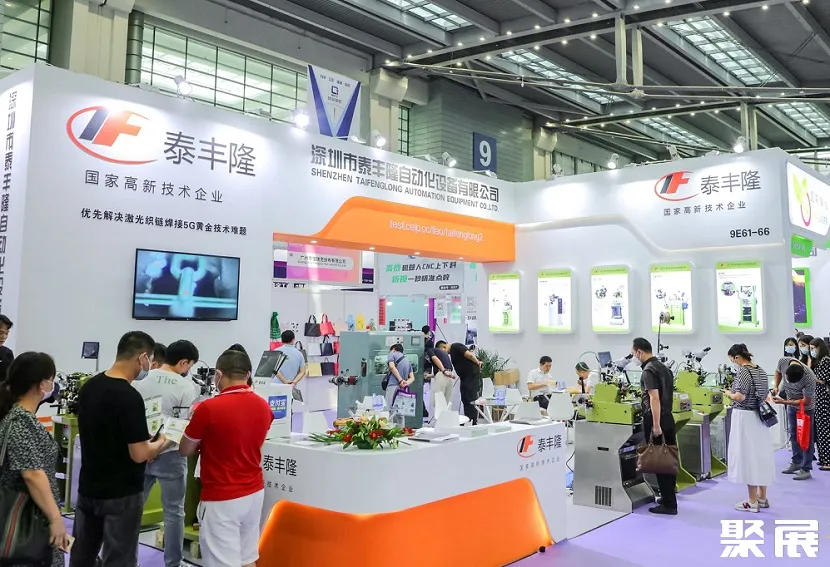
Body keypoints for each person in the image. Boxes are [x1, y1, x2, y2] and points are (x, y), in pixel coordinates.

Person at [70, 331, 169, 567]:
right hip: (121, 493)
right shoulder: (129, 397)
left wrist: (140, 438)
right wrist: (162, 442)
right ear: (142, 358)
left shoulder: (90, 387)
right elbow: (139, 454)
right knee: (119, 559)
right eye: (150, 360)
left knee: (82, 555)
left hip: (88, 488)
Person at [179, 349, 272, 567]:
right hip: (254, 492)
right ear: (248, 374)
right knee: (248, 557)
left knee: (221, 561)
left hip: (222, 495)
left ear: (219, 374)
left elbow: (185, 449)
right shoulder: (263, 406)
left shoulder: (208, 408)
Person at [0, 352, 71, 566]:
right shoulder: (21, 421)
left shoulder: (14, 416)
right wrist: (56, 518)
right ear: (42, 384)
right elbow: (32, 474)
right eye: (51, 379)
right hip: (28, 520)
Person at [134, 340, 201, 567]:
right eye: (190, 364)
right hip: (170, 455)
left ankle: (126, 558)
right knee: (174, 513)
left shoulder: (141, 381)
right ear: (183, 362)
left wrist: (148, 449)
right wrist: (158, 449)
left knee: (132, 509)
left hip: (139, 452)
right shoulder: (186, 387)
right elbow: (178, 428)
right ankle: (173, 563)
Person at [723, 344, 775, 513]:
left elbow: (740, 396)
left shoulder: (744, 371)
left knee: (748, 457)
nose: (734, 363)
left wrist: (728, 394)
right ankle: (762, 497)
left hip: (745, 418)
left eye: (733, 360)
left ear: (737, 357)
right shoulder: (761, 370)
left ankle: (752, 501)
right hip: (759, 418)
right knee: (760, 456)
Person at [632, 337, 677, 515]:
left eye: (633, 353)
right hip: (668, 417)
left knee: (660, 461)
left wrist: (656, 425)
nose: (634, 357)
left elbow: (654, 398)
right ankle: (668, 498)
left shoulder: (648, 370)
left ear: (639, 352)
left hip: (657, 418)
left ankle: (669, 505)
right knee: (669, 458)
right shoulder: (664, 368)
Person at [773, 360, 817, 480]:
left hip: (806, 409)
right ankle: (796, 462)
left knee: (806, 438)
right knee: (793, 434)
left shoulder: (809, 377)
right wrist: (776, 386)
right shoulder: (783, 362)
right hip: (791, 406)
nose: (787, 382)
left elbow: (806, 401)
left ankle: (806, 468)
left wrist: (784, 402)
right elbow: (778, 372)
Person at [808, 338, 830, 472]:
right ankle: (823, 458)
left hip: (824, 399)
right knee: (820, 430)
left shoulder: (825, 361)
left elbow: (822, 380)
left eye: (813, 348)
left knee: (825, 430)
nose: (812, 351)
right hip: (819, 398)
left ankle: (828, 460)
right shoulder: (820, 361)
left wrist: (809, 374)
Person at [450, 342, 483, 425]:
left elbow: (469, 355)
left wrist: (478, 363)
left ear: (443, 347)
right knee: (465, 398)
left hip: (471, 376)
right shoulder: (453, 352)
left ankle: (473, 421)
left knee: (470, 398)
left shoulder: (455, 346)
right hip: (464, 377)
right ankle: (468, 419)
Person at [385, 344, 415, 414]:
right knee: (400, 411)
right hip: (402, 389)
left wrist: (400, 380)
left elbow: (392, 367)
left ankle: (389, 422)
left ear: (393, 349)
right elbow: (412, 378)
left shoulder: (392, 354)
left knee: (388, 409)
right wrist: (405, 383)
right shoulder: (407, 360)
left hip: (393, 385)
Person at [428, 341, 455, 413]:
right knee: (446, 402)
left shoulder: (430, 350)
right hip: (449, 376)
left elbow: (434, 358)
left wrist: (443, 371)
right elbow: (440, 371)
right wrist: (429, 375)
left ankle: (439, 418)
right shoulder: (445, 355)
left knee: (438, 400)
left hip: (443, 374)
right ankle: (445, 418)